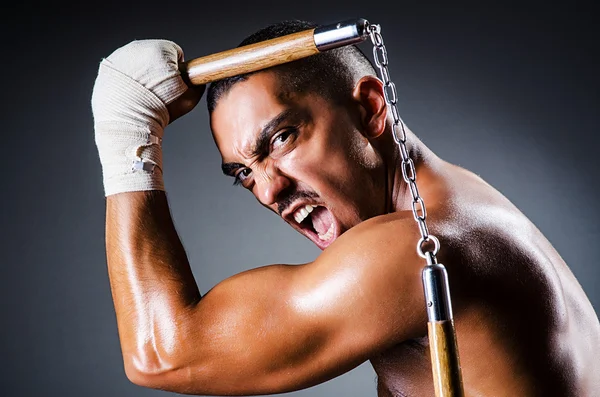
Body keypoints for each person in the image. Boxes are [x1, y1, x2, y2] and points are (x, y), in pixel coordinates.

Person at [91, 20, 600, 396]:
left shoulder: (415, 249)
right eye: (244, 172)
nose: (267, 190)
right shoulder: (464, 201)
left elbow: (161, 353)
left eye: (282, 139)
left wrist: (126, 132)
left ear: (370, 107)